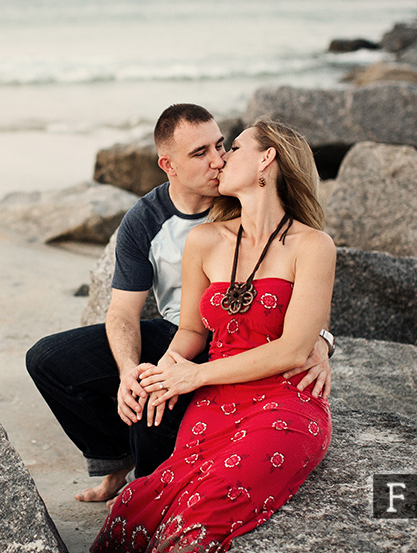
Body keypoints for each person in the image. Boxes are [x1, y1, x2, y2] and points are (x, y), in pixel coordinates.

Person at [25, 104, 332, 503]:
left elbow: (300, 293)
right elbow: (121, 312)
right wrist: (132, 373)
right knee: (50, 359)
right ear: (168, 165)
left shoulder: (249, 197)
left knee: (156, 443)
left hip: (247, 343)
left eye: (222, 146)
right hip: (183, 332)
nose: (218, 160)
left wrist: (321, 341)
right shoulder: (147, 219)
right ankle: (114, 459)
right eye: (200, 153)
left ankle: (149, 477)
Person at [92, 118, 335, 552]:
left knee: (199, 515)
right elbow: (190, 330)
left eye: (233, 148)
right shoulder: (204, 240)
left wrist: (196, 376)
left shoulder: (312, 245)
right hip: (215, 405)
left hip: (284, 401)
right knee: (135, 507)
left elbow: (295, 348)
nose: (221, 160)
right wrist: (162, 374)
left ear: (267, 158)